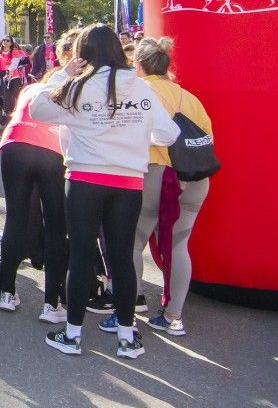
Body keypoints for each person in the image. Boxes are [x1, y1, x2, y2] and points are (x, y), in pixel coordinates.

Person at [29, 24, 179, 359]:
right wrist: (137, 137)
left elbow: (37, 108)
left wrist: (63, 74)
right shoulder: (141, 89)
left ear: (84, 53)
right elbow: (168, 133)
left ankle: (73, 334)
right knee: (122, 257)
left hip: (84, 180)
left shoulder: (78, 86)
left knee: (81, 256)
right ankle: (127, 337)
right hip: (128, 182)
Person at [0, 30, 74, 320]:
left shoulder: (34, 87)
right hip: (50, 150)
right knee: (56, 224)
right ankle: (51, 304)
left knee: (16, 218)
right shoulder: (74, 88)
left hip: (14, 145)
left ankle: (7, 293)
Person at [131, 37, 212, 338]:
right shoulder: (189, 97)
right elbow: (207, 137)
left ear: (138, 65)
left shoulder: (141, 93)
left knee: (133, 242)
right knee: (180, 244)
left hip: (156, 174)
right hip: (195, 178)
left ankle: (133, 300)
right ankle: (174, 316)